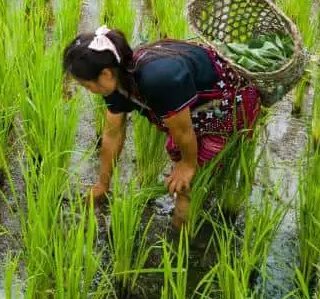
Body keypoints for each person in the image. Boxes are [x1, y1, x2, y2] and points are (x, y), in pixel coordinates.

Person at [62, 26, 262, 229]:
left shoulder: (158, 80)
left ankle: (180, 242)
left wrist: (188, 164)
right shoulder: (118, 80)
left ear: (105, 73)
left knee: (188, 183)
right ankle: (200, 202)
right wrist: (103, 184)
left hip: (230, 104)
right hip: (195, 111)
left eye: (87, 86)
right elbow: (112, 134)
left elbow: (183, 132)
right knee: (186, 163)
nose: (89, 91)